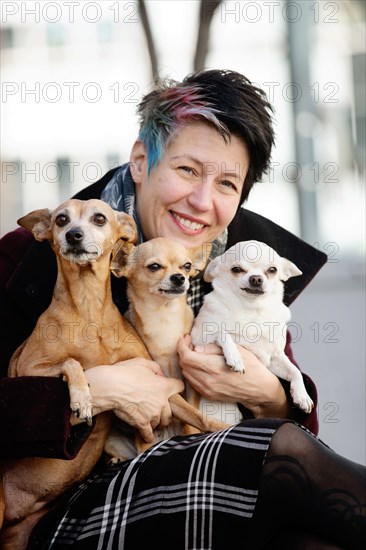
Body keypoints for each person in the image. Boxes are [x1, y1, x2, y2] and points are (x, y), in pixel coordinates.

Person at [0, 69, 364, 549]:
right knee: (284, 453)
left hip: (196, 468)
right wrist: (94, 390)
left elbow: (291, 415)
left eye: (227, 185)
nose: (201, 202)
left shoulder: (239, 262)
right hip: (65, 501)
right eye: (188, 170)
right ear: (139, 161)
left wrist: (268, 396)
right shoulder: (29, 255)